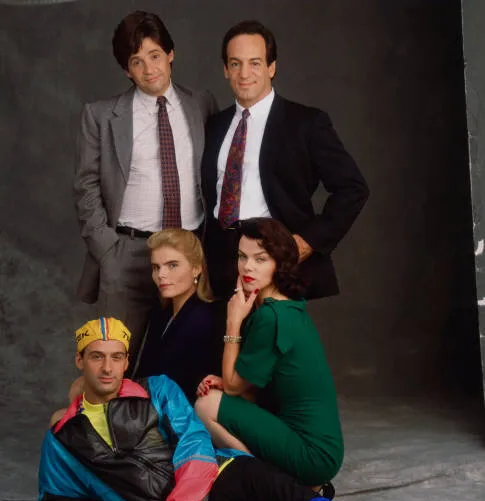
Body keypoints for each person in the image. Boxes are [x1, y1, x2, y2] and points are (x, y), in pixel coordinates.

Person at [31, 319, 483, 501]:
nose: (107, 367)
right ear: (80, 360)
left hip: (222, 474)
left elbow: (193, 442)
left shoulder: (157, 389)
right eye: (97, 356)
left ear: (127, 360)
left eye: (117, 356)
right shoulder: (62, 441)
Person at [74, 11, 217, 357]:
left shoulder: (201, 104)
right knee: (112, 359)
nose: (149, 69)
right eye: (136, 62)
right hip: (128, 253)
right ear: (127, 70)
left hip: (189, 251)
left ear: (170, 54)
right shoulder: (101, 116)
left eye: (155, 56)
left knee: (189, 358)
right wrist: (108, 250)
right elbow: (85, 186)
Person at [202, 20, 370, 299]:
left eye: (255, 63)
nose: (244, 73)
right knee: (225, 328)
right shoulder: (215, 125)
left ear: (271, 67)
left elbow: (353, 189)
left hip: (275, 258)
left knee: (271, 328)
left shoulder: (305, 123)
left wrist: (307, 242)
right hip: (221, 261)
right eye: (235, 63)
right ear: (225, 70)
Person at [195, 218, 343, 487]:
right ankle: (282, 484)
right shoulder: (286, 306)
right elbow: (253, 387)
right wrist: (228, 384)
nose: (247, 267)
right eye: (242, 256)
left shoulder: (271, 316)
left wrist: (233, 322)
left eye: (260, 259)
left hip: (312, 454)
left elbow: (233, 386)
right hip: (319, 449)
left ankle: (268, 486)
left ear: (279, 263)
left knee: (206, 405)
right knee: (219, 397)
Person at [133, 229, 223, 403]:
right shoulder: (163, 311)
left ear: (196, 268)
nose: (161, 275)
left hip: (178, 412)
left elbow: (190, 390)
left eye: (172, 265)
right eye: (156, 267)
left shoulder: (203, 319)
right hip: (148, 404)